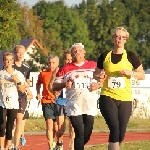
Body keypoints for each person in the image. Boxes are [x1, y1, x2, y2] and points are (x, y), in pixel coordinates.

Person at [93, 27, 145, 150]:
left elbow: (141, 75)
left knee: (120, 134)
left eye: (123, 37)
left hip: (125, 98)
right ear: (113, 38)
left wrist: (131, 73)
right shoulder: (105, 55)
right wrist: (99, 76)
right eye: (117, 36)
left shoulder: (131, 56)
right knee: (114, 128)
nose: (120, 39)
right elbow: (95, 74)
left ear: (125, 40)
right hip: (107, 96)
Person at [51, 43, 101, 150]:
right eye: (74, 51)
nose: (77, 52)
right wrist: (64, 84)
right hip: (74, 105)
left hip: (89, 105)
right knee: (79, 132)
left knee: (86, 135)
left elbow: (103, 79)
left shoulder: (94, 66)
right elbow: (54, 87)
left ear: (84, 52)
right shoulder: (65, 69)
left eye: (79, 50)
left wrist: (98, 85)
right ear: (72, 55)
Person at [0, 52, 26, 150]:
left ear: (13, 61)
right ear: (3, 61)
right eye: (6, 60)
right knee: (1, 125)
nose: (8, 62)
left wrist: (17, 81)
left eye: (10, 60)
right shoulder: (1, 74)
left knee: (9, 127)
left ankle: (7, 147)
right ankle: (1, 147)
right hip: (2, 103)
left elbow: (23, 90)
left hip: (14, 104)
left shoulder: (18, 74)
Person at [36, 55, 59, 150]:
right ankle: (50, 147)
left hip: (58, 102)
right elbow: (38, 84)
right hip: (46, 101)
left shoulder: (60, 72)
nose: (51, 64)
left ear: (57, 63)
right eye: (49, 62)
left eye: (53, 63)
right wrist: (38, 93)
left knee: (56, 127)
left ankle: (54, 140)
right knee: (49, 124)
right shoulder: (43, 73)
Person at [54, 50, 75, 150]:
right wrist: (56, 90)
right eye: (66, 59)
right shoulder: (60, 71)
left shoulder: (75, 71)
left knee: (73, 127)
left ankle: (71, 147)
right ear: (63, 60)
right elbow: (53, 85)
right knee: (61, 128)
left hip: (72, 101)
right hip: (60, 100)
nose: (68, 61)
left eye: (70, 59)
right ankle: (59, 143)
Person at [13, 45, 30, 150]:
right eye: (18, 53)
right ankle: (9, 143)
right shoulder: (10, 65)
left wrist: (26, 86)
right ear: (15, 53)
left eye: (22, 53)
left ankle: (16, 146)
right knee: (11, 122)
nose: (20, 55)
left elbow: (28, 81)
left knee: (19, 121)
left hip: (22, 96)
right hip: (11, 96)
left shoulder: (27, 66)